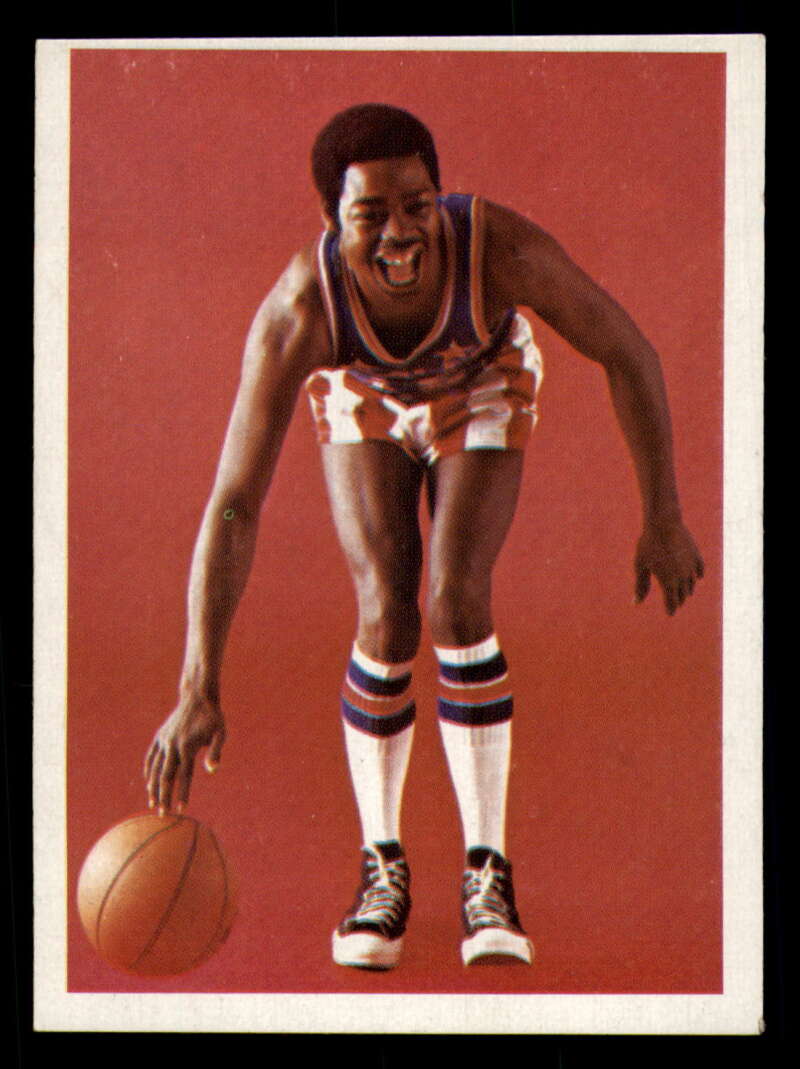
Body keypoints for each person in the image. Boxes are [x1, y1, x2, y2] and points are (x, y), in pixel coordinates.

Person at [144, 103, 704, 971]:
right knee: (384, 610)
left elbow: (630, 350)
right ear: (331, 219)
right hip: (366, 393)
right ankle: (382, 866)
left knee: (455, 598)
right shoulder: (301, 308)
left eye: (418, 205)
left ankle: (488, 871)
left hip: (481, 379)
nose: (401, 234)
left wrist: (661, 512)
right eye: (371, 214)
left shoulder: (496, 249)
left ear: (440, 197)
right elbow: (233, 504)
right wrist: (197, 685)